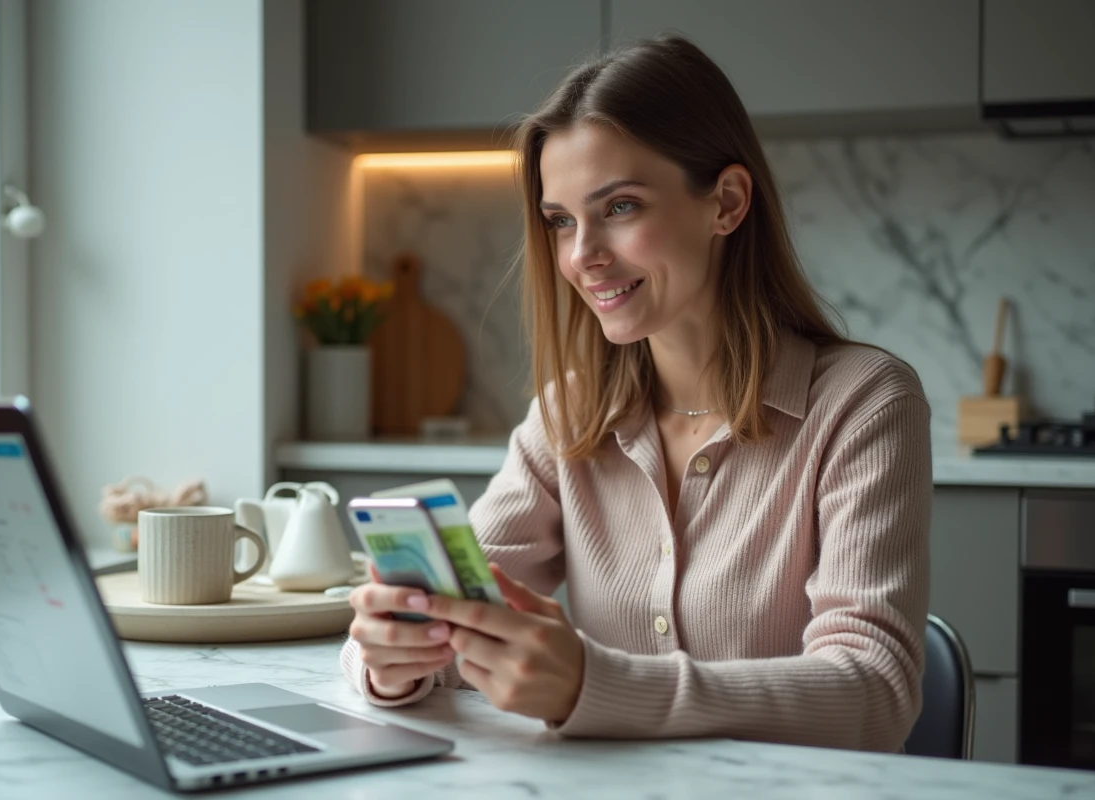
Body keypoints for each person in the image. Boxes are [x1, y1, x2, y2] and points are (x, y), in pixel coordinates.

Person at [341, 34, 931, 753]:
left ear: (727, 203)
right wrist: (391, 658)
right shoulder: (569, 414)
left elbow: (875, 692)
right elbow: (454, 625)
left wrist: (592, 686)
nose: (581, 255)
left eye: (620, 207)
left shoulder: (864, 404)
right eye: (561, 221)